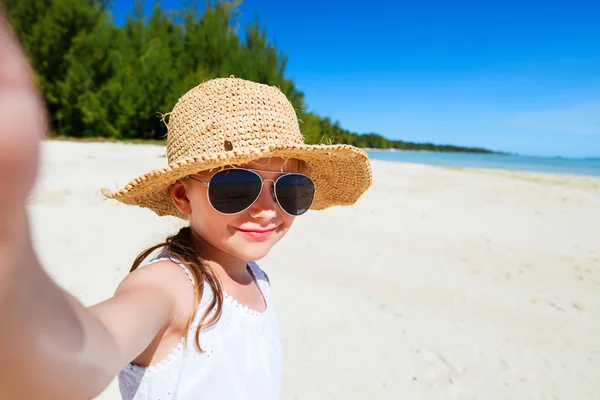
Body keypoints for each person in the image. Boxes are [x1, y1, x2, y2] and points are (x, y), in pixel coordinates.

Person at [0, 11, 372, 400]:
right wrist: (16, 285)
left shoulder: (255, 277)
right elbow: (89, 349)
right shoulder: (173, 285)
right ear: (182, 196)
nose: (266, 209)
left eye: (290, 188)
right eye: (236, 187)